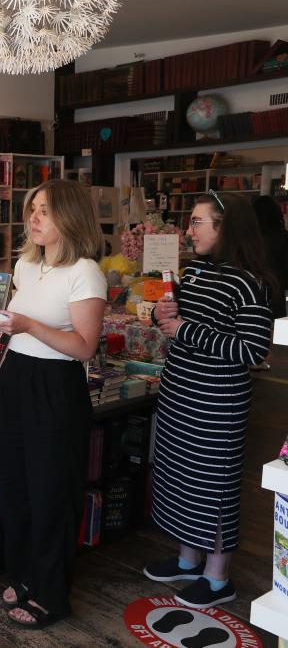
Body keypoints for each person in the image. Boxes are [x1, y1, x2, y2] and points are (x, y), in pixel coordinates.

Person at [0, 180, 107, 628]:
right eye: (32, 209)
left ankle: (52, 594)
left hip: (55, 387)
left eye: (45, 211)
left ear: (70, 219)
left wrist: (27, 325)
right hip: (15, 377)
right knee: (16, 486)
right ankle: (24, 575)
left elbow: (83, 347)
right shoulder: (24, 264)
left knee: (50, 492)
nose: (34, 218)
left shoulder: (85, 271)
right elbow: (18, 327)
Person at [145, 191, 273, 609]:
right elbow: (175, 317)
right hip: (180, 393)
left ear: (225, 226)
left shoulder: (251, 281)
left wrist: (183, 329)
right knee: (181, 479)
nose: (188, 230)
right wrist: (160, 314)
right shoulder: (198, 269)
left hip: (216, 404)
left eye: (198, 222)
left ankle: (218, 579)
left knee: (213, 488)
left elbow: (253, 350)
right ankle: (188, 559)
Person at [252, 194, 288, 319]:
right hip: (277, 299)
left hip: (252, 298)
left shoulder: (250, 240)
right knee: (278, 336)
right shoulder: (284, 236)